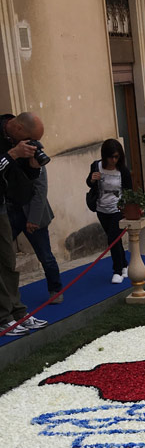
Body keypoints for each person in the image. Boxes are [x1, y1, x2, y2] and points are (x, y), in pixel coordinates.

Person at [0, 111, 49, 336]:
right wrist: (12, 154)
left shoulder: (17, 140)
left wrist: (31, 165)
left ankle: (18, 314)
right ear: (18, 129)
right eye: (29, 138)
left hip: (4, 204)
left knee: (8, 261)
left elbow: (19, 176)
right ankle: (3, 318)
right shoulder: (10, 144)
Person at [8, 162, 63, 303]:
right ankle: (8, 296)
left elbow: (40, 189)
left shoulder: (33, 155)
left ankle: (55, 290)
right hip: (9, 212)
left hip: (31, 211)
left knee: (45, 255)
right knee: (4, 256)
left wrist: (34, 219)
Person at [87, 138, 132, 284]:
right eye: (111, 157)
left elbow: (128, 190)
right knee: (115, 240)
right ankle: (125, 264)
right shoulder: (96, 166)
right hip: (101, 208)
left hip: (117, 209)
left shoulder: (122, 170)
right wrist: (92, 179)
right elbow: (89, 182)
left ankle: (117, 271)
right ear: (104, 155)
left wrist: (127, 208)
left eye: (116, 157)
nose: (113, 160)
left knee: (112, 239)